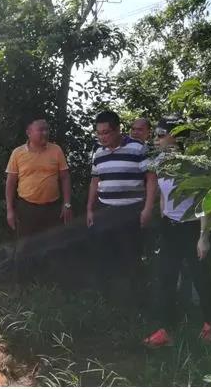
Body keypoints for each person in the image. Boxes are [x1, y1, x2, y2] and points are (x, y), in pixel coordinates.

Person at [143, 116, 211, 348]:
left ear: (176, 136)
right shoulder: (161, 161)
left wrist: (204, 237)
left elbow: (208, 201)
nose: (155, 140)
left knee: (201, 278)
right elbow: (164, 194)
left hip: (194, 228)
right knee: (166, 278)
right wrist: (164, 216)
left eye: (161, 135)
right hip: (170, 227)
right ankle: (166, 330)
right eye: (155, 135)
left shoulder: (195, 164)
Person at [86, 111, 157, 306]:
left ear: (118, 129)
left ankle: (136, 302)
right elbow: (95, 181)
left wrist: (148, 208)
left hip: (130, 211)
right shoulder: (98, 152)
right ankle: (105, 300)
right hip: (105, 211)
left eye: (106, 132)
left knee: (131, 256)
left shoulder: (138, 148)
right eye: (99, 133)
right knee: (103, 255)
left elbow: (151, 179)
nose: (102, 137)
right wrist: (90, 209)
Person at [5, 116, 72, 283]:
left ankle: (52, 284)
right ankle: (22, 285)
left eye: (47, 129)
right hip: (26, 207)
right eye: (40, 130)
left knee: (54, 245)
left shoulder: (56, 150)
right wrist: (10, 210)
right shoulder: (18, 153)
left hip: (52, 208)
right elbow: (11, 182)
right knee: (24, 247)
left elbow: (65, 177)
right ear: (29, 132)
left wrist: (67, 204)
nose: (45, 133)